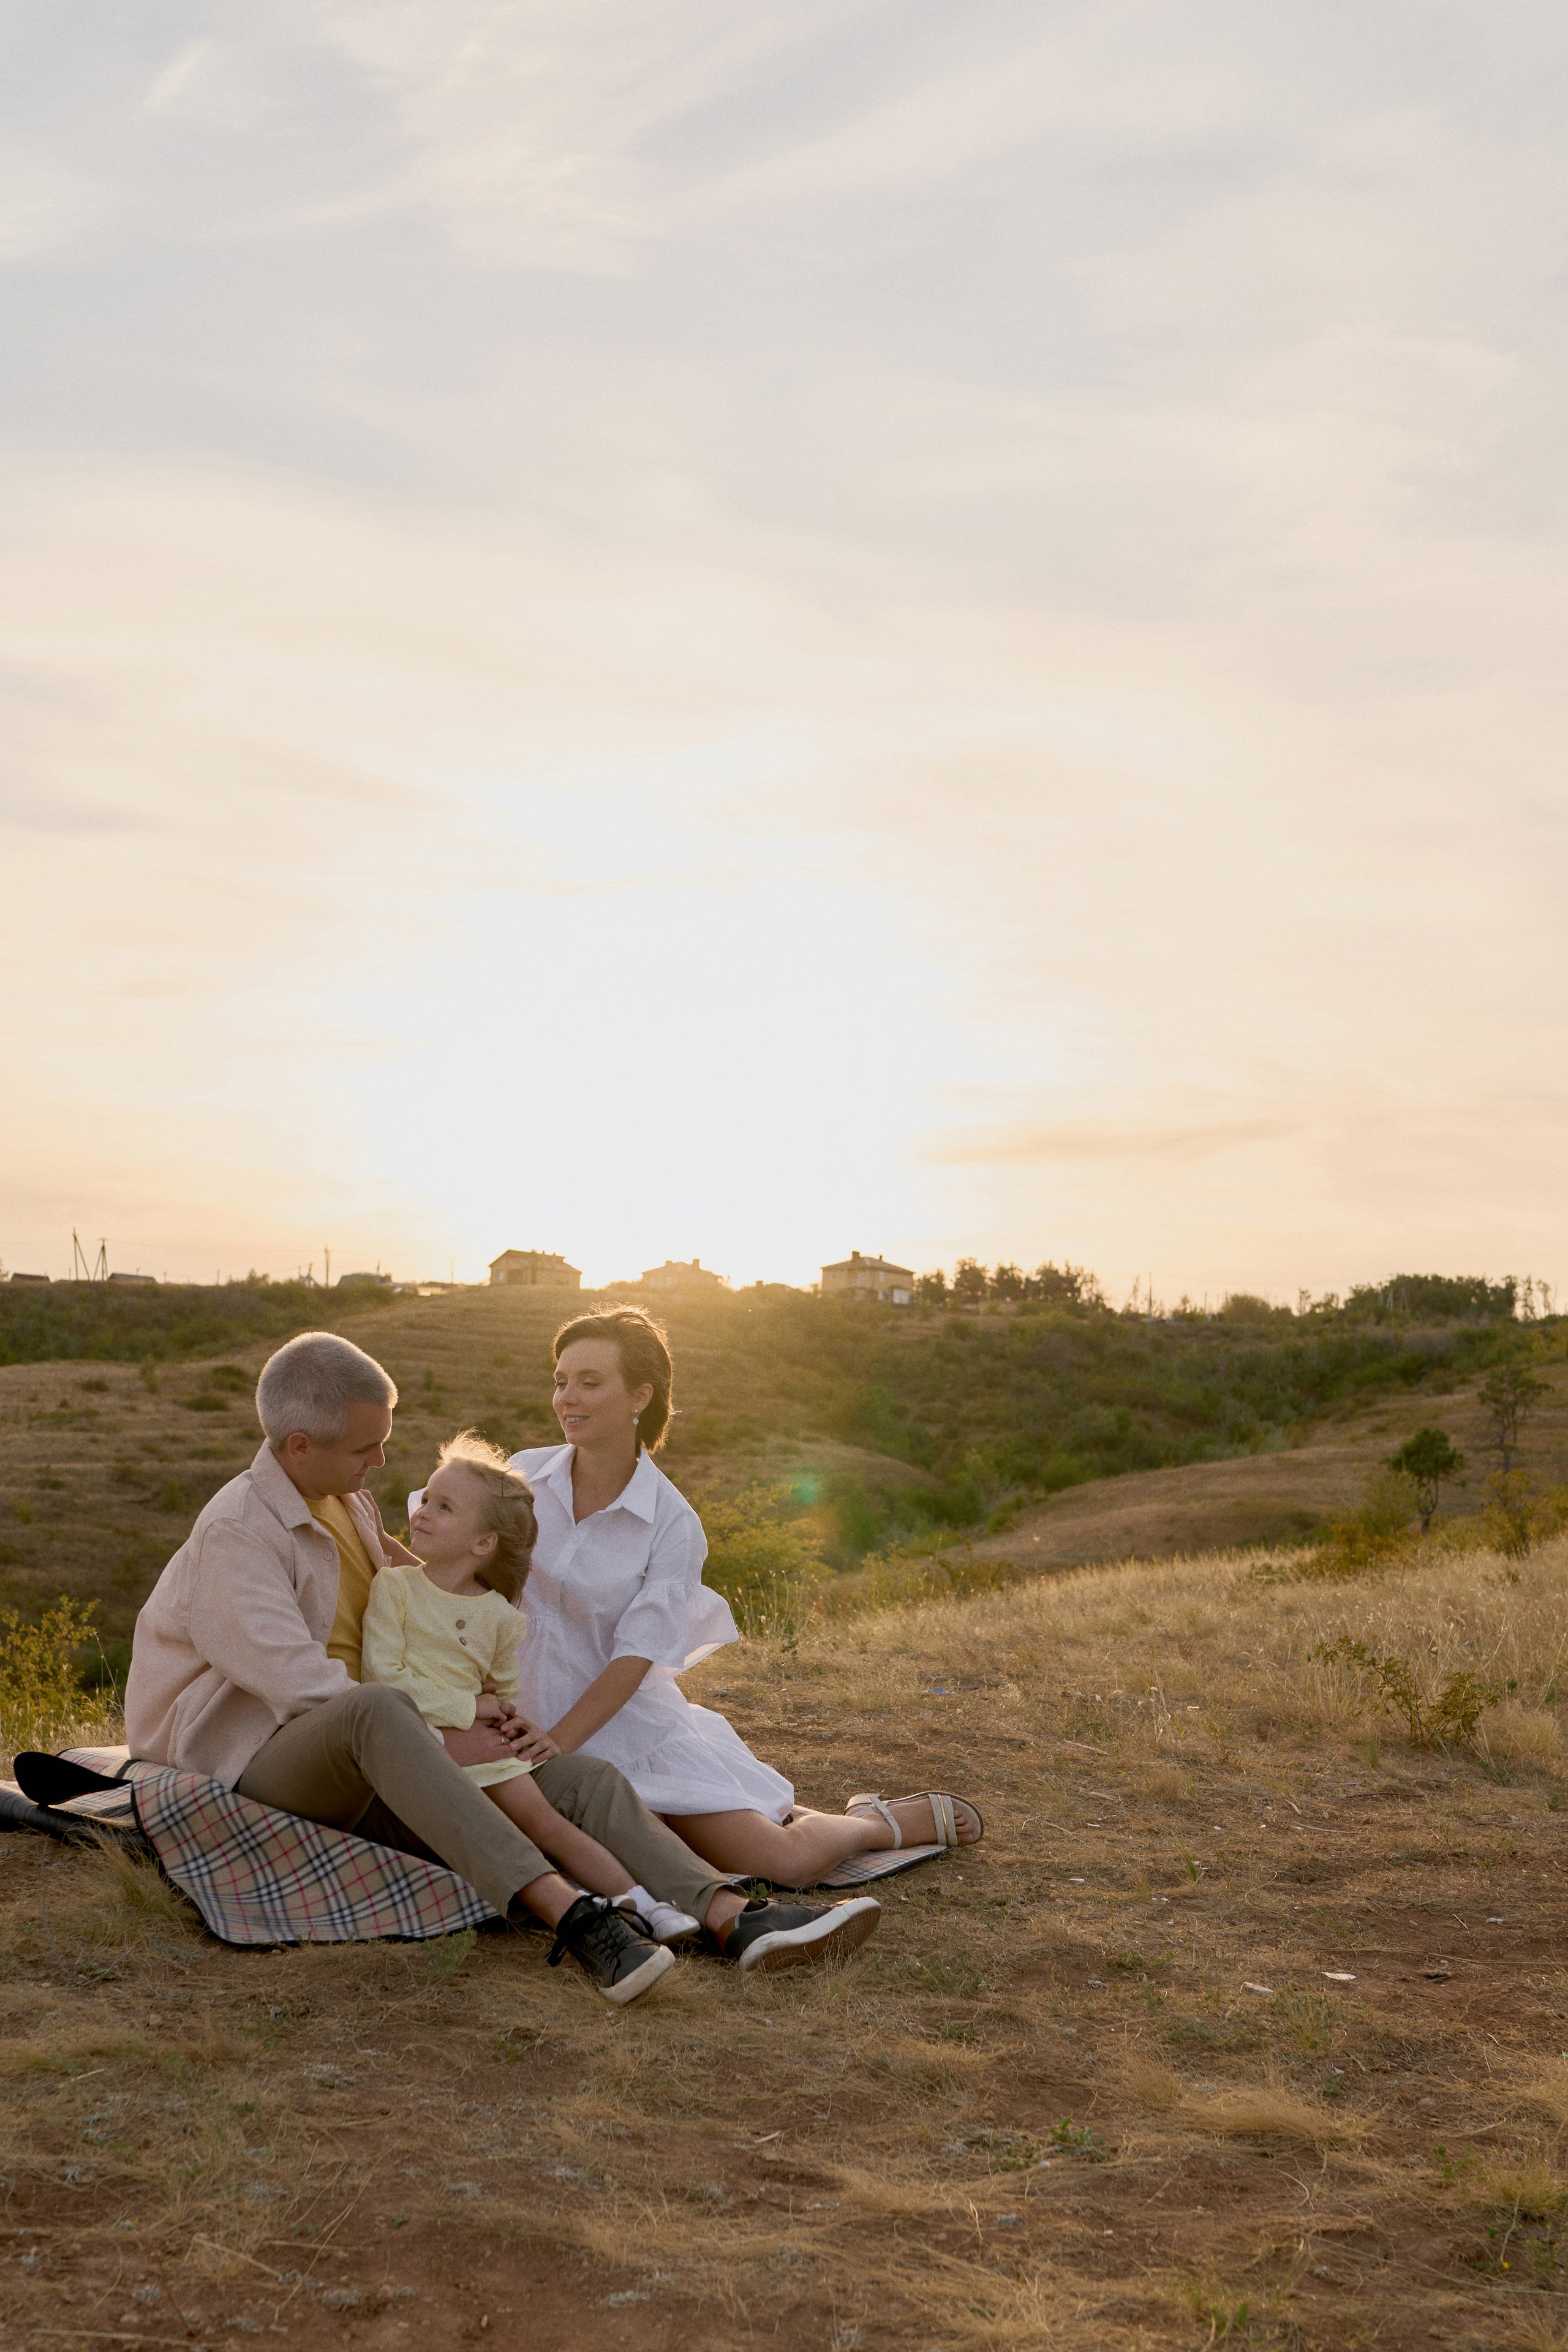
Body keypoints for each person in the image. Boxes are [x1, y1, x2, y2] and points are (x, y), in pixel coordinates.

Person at [124, 1332, 882, 2003]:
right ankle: (579, 1921)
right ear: (297, 1445)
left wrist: (478, 1696)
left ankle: (732, 1918)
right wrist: (443, 1727)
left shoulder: (340, 1496)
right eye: (365, 1449)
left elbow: (413, 1588)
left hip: (375, 1741)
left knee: (574, 1777)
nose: (383, 1464)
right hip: (255, 1753)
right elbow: (302, 1690)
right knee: (379, 1711)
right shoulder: (237, 1532)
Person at [502, 1307, 984, 1887]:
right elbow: (460, 1569)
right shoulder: (521, 1477)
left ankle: (875, 1823)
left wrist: (558, 1746)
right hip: (516, 1723)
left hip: (620, 1734)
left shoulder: (671, 1523)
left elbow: (635, 1658)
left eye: (589, 1382)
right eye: (560, 1381)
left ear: (640, 1397)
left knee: (784, 1863)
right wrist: (372, 1537)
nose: (565, 1398)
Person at [362, 1430, 699, 1948]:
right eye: (426, 1499)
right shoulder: (395, 1588)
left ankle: (651, 1908)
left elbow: (503, 1686)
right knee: (512, 1833)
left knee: (546, 1825)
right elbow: (383, 1675)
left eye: (444, 1507)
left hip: (485, 1747)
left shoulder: (500, 1616)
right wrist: (467, 1708)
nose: (423, 1512)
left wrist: (505, 1714)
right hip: (424, 1743)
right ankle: (596, 1911)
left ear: (483, 1544)